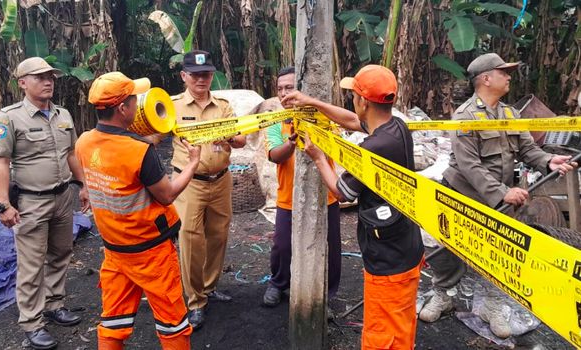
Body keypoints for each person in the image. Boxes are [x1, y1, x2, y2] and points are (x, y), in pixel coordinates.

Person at [418, 53, 576, 339]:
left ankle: (492, 304)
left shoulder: (511, 115)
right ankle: (443, 294)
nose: (509, 76)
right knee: (447, 247)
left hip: (501, 198)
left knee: (498, 252)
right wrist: (503, 193)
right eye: (503, 72)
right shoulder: (465, 117)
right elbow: (470, 166)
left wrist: (548, 161)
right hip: (464, 195)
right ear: (486, 79)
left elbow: (528, 150)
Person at [284, 65, 425, 349]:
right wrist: (312, 102)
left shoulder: (374, 148)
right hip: (406, 246)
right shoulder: (396, 127)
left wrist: (318, 157)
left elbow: (343, 191)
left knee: (381, 336)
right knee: (401, 326)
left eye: (354, 96)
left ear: (363, 101)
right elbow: (352, 121)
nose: (353, 102)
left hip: (388, 259)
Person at [76, 71, 199, 349]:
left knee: (113, 321)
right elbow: (166, 195)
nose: (138, 104)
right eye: (134, 100)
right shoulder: (138, 152)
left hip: (115, 250)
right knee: (173, 324)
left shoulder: (84, 141)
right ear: (122, 108)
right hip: (151, 252)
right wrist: (192, 163)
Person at [0, 57, 89, 349]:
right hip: (32, 201)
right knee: (31, 264)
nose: (48, 81)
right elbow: (1, 163)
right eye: (40, 77)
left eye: (51, 77)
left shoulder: (63, 115)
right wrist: (3, 204)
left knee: (61, 253)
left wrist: (83, 185)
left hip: (62, 197)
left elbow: (72, 154)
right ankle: (32, 322)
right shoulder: (9, 117)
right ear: (22, 83)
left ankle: (55, 304)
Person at [170, 50, 246, 329]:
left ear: (212, 75)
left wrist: (230, 135)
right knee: (190, 239)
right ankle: (195, 300)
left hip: (221, 180)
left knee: (218, 235)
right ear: (184, 76)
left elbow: (241, 139)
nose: (201, 79)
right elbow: (150, 135)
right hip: (189, 183)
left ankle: (210, 287)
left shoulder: (223, 106)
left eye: (206, 74)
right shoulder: (172, 106)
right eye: (195, 74)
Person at [262, 66, 342, 307]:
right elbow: (275, 155)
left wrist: (316, 132)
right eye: (280, 89)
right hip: (289, 197)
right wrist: (292, 141)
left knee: (330, 247)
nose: (284, 94)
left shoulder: (324, 119)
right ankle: (278, 283)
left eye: (290, 87)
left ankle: (327, 295)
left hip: (325, 196)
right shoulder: (276, 123)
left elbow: (336, 147)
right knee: (282, 245)